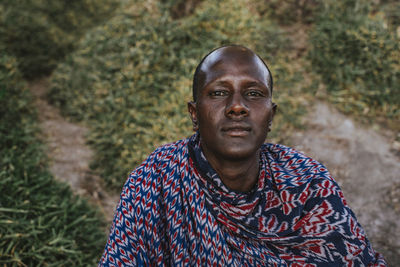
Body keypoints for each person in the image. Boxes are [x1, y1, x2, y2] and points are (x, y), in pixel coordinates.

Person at [99, 45, 387, 266]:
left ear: (270, 115)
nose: (237, 107)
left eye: (253, 94)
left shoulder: (307, 182)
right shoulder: (155, 181)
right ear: (194, 113)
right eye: (219, 93)